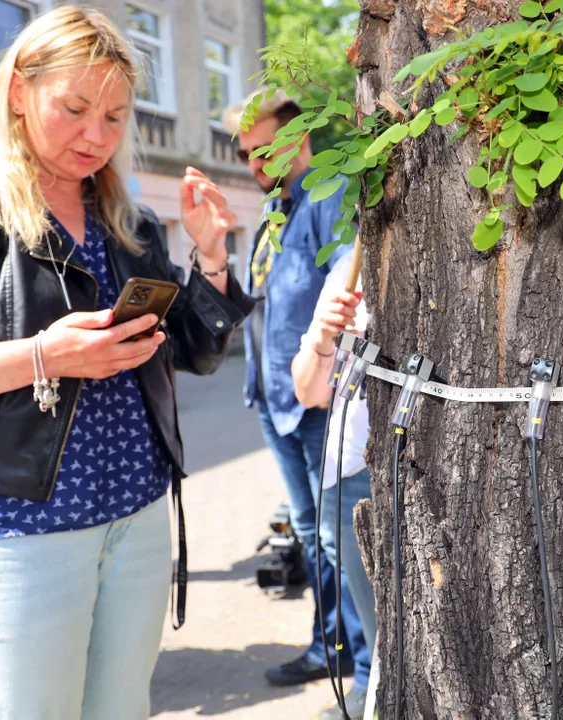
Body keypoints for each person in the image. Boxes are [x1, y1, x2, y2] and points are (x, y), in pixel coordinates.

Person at [0, 7, 252, 719]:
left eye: (114, 116)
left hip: (136, 515)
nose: (95, 136)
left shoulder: (124, 221)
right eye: (73, 108)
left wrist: (212, 257)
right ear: (17, 92)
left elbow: (192, 349)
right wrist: (43, 355)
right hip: (12, 528)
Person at [221, 91, 372, 717]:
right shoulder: (274, 209)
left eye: (266, 147)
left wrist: (315, 362)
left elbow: (346, 280)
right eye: (246, 152)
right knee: (312, 535)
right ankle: (331, 644)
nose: (256, 161)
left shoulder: (327, 192)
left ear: (300, 135)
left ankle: (365, 672)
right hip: (274, 399)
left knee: (341, 538)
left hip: (317, 401)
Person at [291, 251, 377, 720]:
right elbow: (309, 392)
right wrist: (324, 340)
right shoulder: (350, 264)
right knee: (378, 622)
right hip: (348, 471)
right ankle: (376, 690)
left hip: (418, 473)